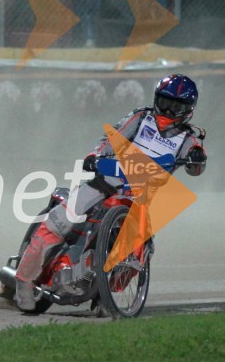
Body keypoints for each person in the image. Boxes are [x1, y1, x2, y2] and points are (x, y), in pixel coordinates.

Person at [14, 74, 208, 311]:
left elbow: (197, 166)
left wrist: (197, 157)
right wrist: (95, 155)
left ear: (187, 110)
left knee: (143, 248)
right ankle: (23, 281)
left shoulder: (189, 138)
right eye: (165, 102)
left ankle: (107, 298)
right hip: (107, 180)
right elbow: (112, 136)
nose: (168, 109)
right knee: (57, 222)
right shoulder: (141, 117)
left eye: (176, 106)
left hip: (142, 197)